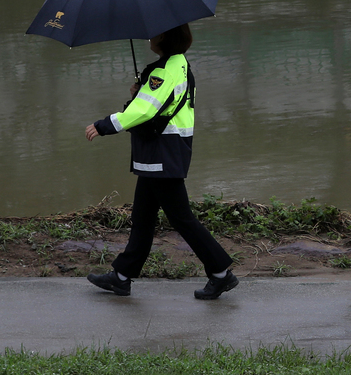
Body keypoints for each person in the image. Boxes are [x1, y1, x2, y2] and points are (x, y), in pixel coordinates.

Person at [83, 23, 238, 301]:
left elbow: (145, 109)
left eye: (154, 32)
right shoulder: (177, 65)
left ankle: (220, 273)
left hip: (162, 155)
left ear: (164, 36)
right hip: (163, 154)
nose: (149, 37)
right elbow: (157, 104)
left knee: (182, 219)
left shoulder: (163, 71)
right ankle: (121, 277)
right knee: (142, 219)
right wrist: (139, 92)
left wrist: (105, 124)